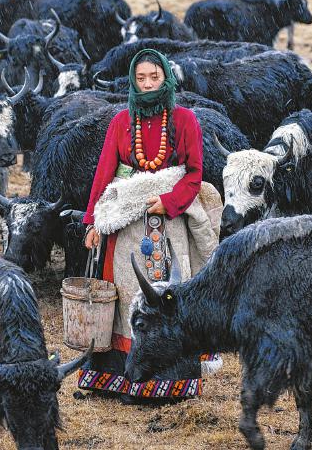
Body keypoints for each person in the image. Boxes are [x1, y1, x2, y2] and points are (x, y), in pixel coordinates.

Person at [76, 48, 222, 403]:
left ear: (165, 79)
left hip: (171, 221)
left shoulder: (185, 120)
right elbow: (104, 174)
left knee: (170, 297)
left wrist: (168, 202)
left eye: (154, 77)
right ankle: (122, 379)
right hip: (126, 224)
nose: (147, 84)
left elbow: (194, 174)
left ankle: (170, 379)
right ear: (132, 81)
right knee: (126, 295)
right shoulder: (121, 123)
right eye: (140, 78)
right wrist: (92, 221)